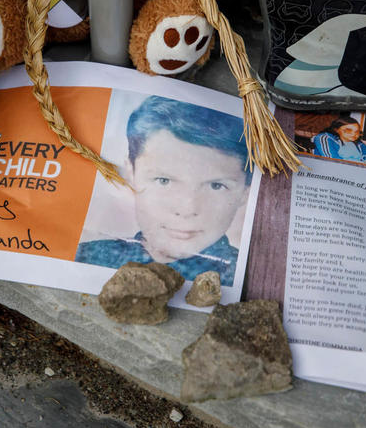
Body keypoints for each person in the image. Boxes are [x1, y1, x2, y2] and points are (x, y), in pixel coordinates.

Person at [75, 96, 251, 286]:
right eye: (164, 181)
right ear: (131, 173)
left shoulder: (249, 278)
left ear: (245, 192)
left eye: (215, 186)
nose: (187, 208)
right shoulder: (86, 256)